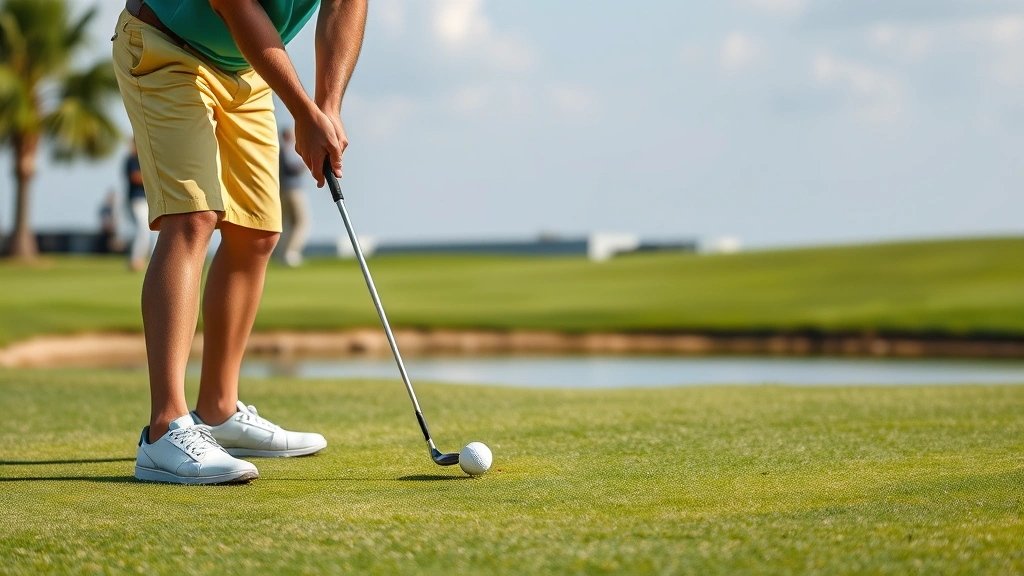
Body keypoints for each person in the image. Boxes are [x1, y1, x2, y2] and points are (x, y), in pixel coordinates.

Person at [111, 0, 366, 484]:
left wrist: (327, 104)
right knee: (193, 218)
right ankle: (164, 429)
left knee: (257, 231)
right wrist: (301, 110)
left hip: (245, 67)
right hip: (166, 48)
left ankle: (219, 412)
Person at [277, 127, 311, 267]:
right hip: (292, 190)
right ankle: (290, 253)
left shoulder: (280, 150)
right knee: (301, 222)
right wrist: (304, 166)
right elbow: (290, 169)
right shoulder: (285, 150)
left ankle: (283, 253)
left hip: (283, 191)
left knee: (287, 223)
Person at [125, 140, 150, 271]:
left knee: (145, 231)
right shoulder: (132, 159)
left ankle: (139, 259)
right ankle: (135, 260)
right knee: (142, 230)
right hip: (136, 199)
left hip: (146, 200)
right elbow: (135, 177)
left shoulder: (145, 159)